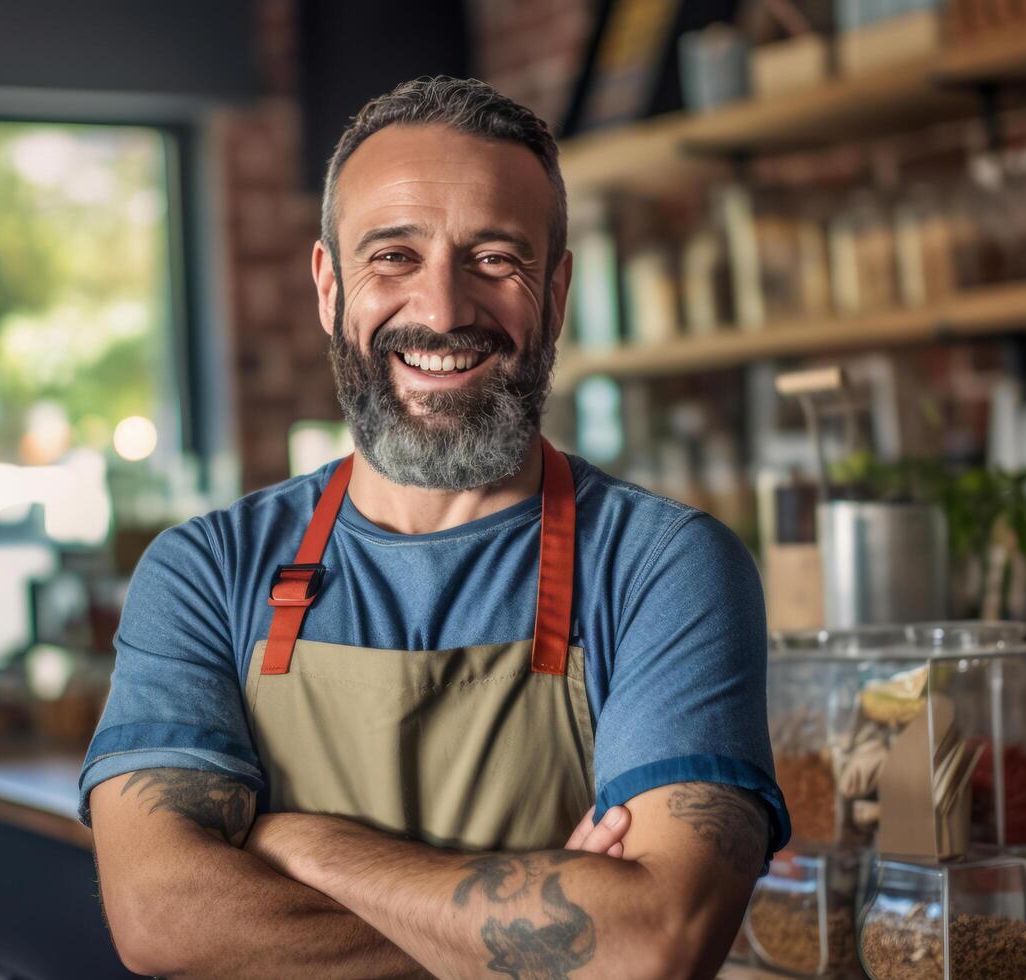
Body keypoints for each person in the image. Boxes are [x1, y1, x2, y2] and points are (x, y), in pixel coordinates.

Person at [81, 76, 788, 979]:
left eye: (494, 259)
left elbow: (654, 942)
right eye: (393, 257)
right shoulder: (207, 571)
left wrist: (300, 846)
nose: (443, 310)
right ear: (330, 288)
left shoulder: (663, 567)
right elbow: (160, 918)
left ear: (558, 292)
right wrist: (545, 929)